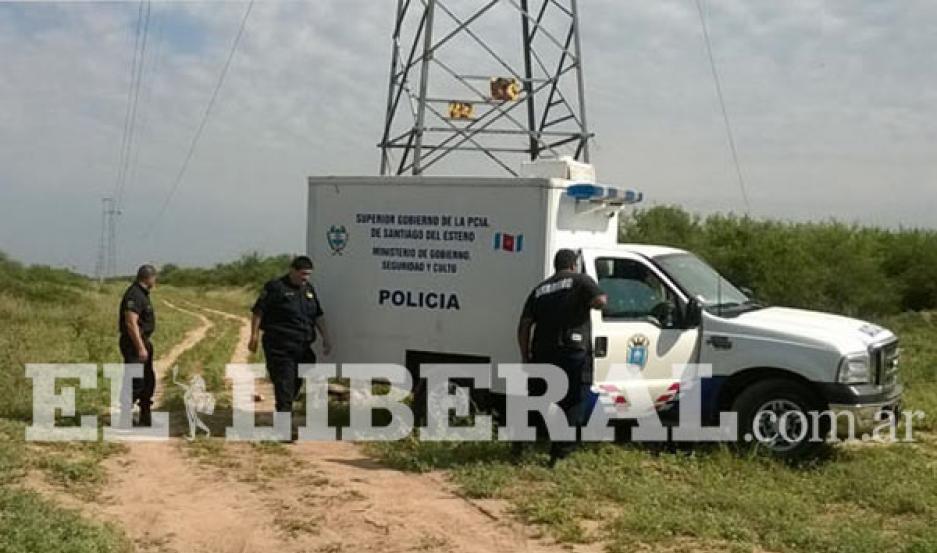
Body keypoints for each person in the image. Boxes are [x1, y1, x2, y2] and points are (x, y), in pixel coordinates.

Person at [517, 249, 607, 465]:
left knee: (538, 398)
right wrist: (590, 303)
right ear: (574, 265)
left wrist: (525, 356)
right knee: (574, 400)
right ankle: (560, 453)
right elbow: (601, 300)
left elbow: (524, 326)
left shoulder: (540, 289)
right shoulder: (582, 280)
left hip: (543, 352)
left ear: (556, 266)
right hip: (573, 350)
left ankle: (521, 444)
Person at [248, 256, 332, 418]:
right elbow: (259, 311)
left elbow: (318, 315)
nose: (305, 278)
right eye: (303, 274)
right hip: (280, 347)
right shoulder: (276, 287)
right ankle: (283, 424)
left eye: (308, 274)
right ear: (292, 271)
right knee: (285, 385)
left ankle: (284, 409)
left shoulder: (308, 289)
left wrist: (326, 337)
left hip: (303, 348)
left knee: (295, 383)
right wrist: (254, 335)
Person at [119, 264, 158, 426]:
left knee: (147, 380)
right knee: (135, 380)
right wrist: (140, 347)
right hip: (134, 344)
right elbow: (130, 323)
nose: (155, 281)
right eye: (154, 278)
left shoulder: (142, 294)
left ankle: (145, 415)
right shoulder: (134, 294)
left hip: (143, 341)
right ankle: (125, 418)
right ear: (149, 278)